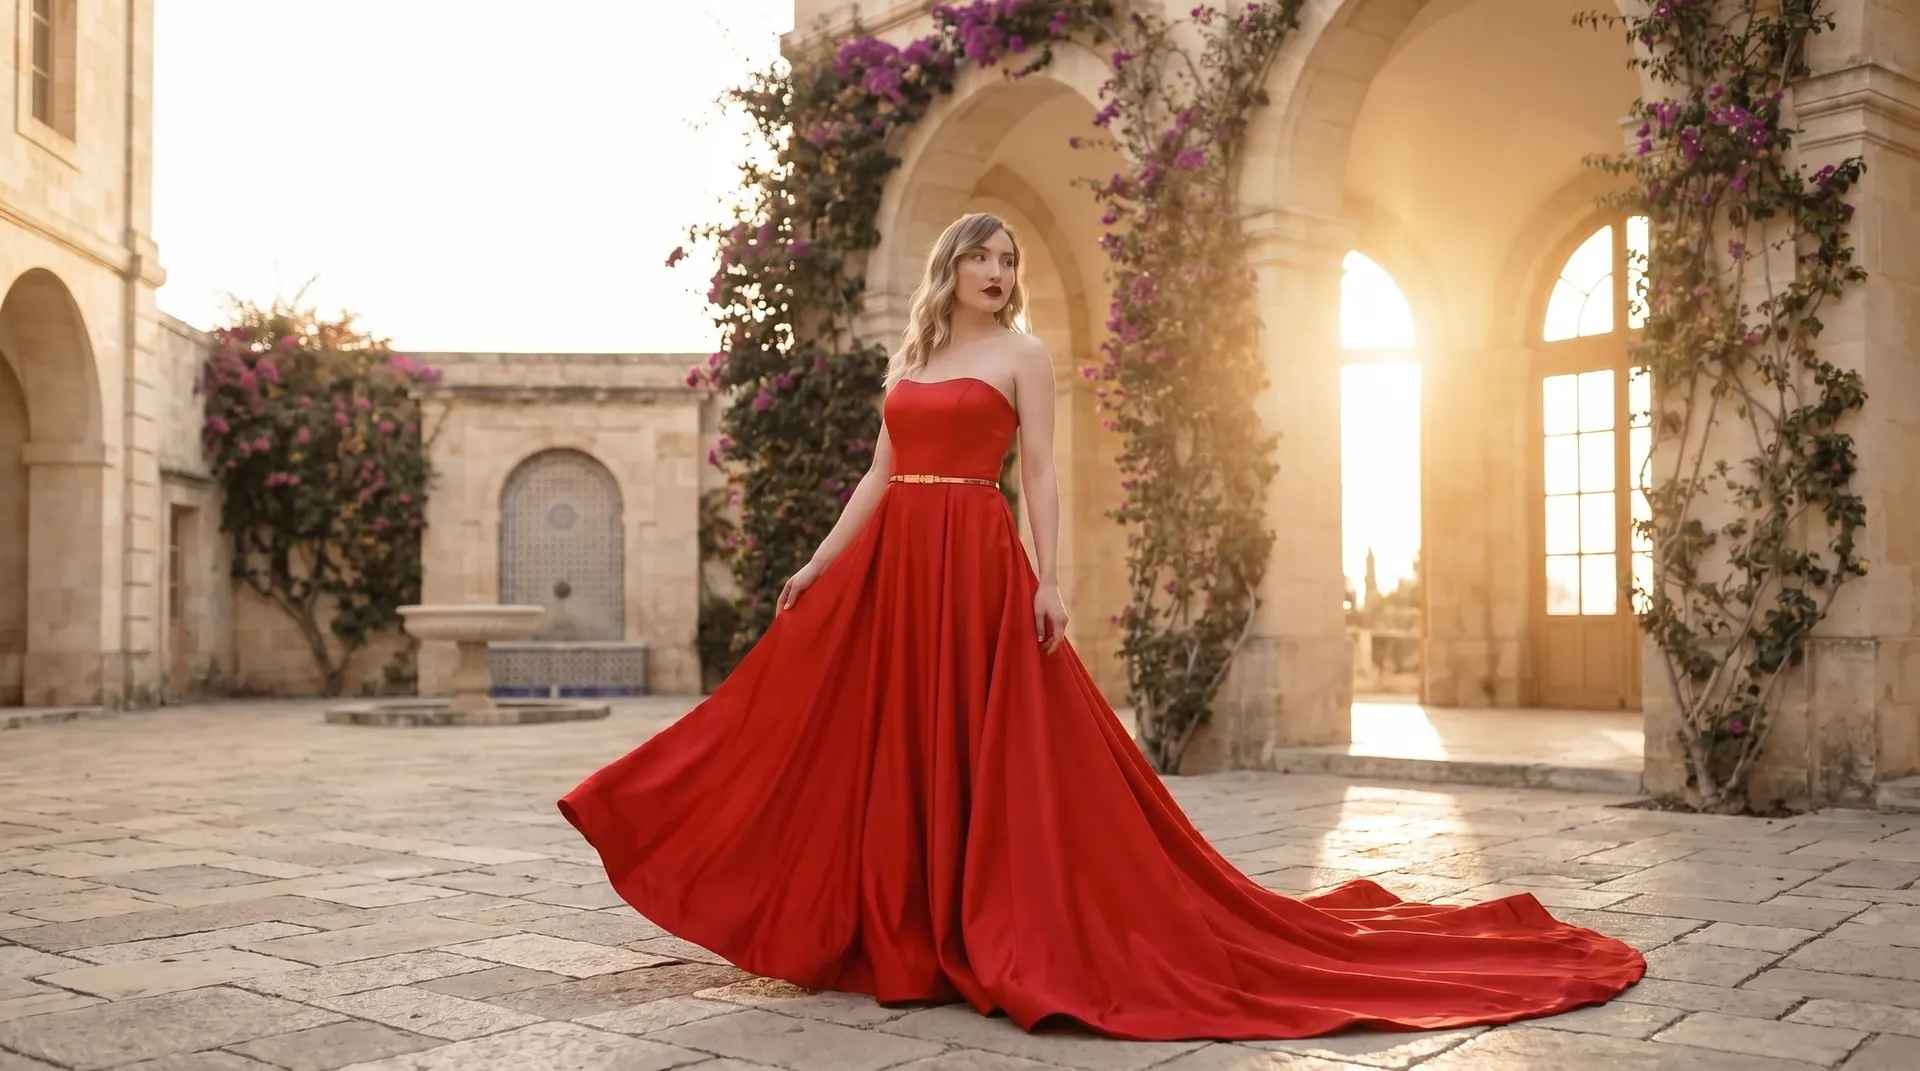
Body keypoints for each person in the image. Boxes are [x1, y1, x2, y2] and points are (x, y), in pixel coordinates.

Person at [558, 212, 1646, 1041]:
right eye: (985, 258)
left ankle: (989, 924)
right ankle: (907, 927)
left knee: (992, 748)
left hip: (977, 566)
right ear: (951, 268)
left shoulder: (1023, 358)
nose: (1000, 274)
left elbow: (1040, 478)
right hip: (901, 569)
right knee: (885, 741)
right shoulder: (916, 362)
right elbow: (880, 477)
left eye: (1012, 263)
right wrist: (817, 560)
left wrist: (1050, 578)